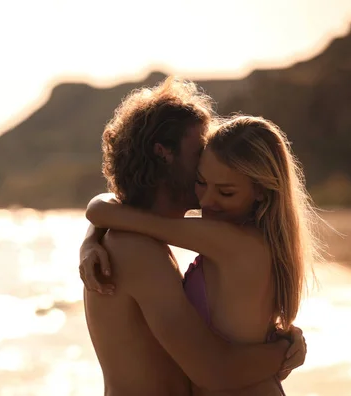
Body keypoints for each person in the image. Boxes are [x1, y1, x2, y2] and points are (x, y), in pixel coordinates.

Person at [78, 77, 308, 396]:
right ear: (164, 154)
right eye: (200, 149)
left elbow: (108, 207)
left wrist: (92, 235)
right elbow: (215, 370)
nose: (209, 158)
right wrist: (283, 350)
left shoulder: (136, 238)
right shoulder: (136, 248)